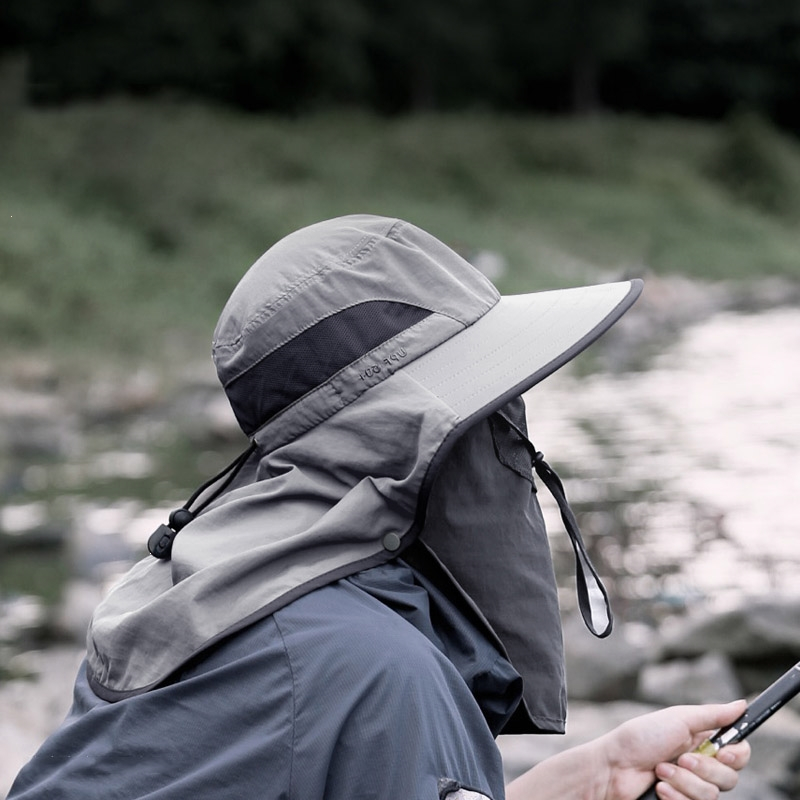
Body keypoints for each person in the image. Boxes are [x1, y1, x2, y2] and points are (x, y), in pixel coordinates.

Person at [8, 215, 750, 800]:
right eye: (497, 412)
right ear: (417, 441)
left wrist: (588, 779)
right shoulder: (377, 673)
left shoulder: (208, 585)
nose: (517, 445)